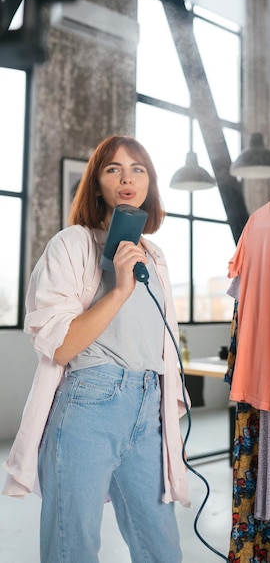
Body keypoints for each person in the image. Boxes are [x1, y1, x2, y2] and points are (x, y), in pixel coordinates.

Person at [2, 135, 191, 563]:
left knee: (161, 547)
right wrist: (120, 289)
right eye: (113, 169)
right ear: (96, 184)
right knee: (73, 546)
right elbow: (63, 345)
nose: (127, 178)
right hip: (90, 404)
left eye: (138, 169)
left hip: (149, 407)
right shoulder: (72, 243)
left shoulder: (154, 255)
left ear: (149, 184)